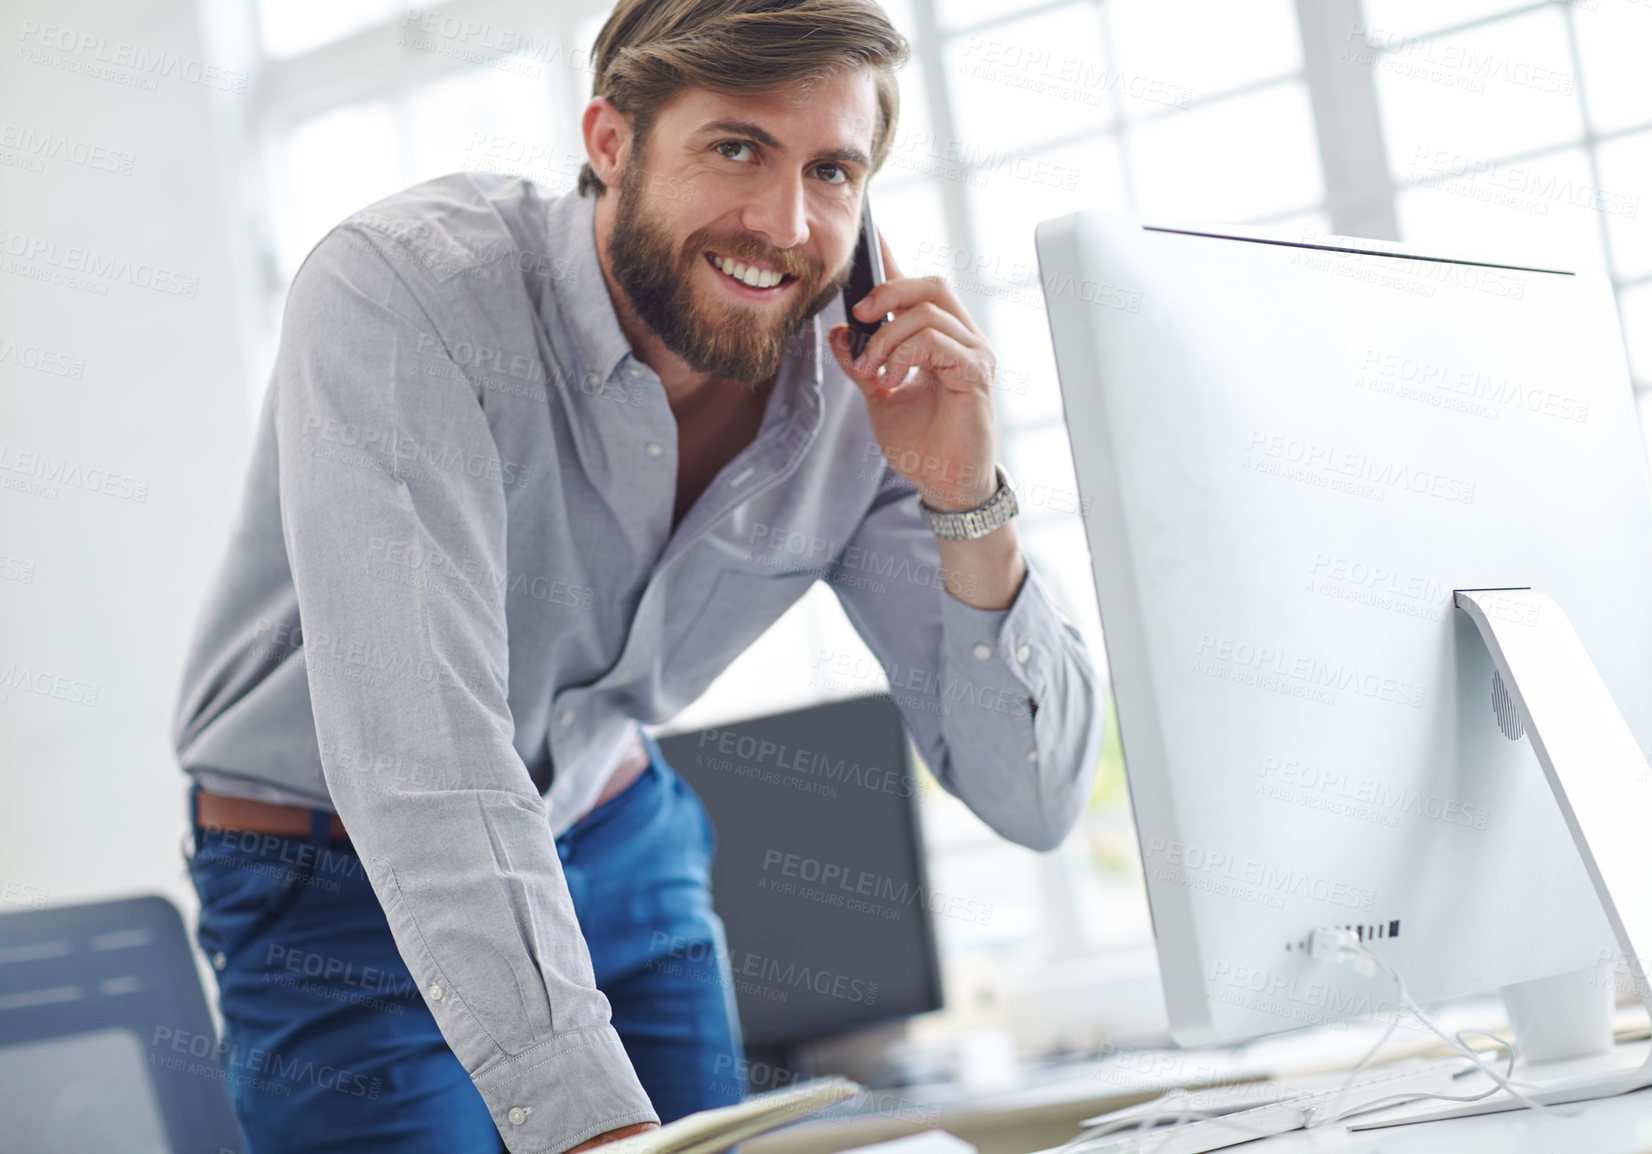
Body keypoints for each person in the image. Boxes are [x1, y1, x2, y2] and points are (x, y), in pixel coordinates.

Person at [171, 0, 1105, 1149]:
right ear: (610, 141)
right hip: (334, 867)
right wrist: (592, 1124)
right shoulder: (406, 295)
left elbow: (1036, 794)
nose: (783, 221)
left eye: (830, 170)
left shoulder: (870, 383)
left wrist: (967, 496)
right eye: (735, 149)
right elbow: (427, 763)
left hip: (612, 828)